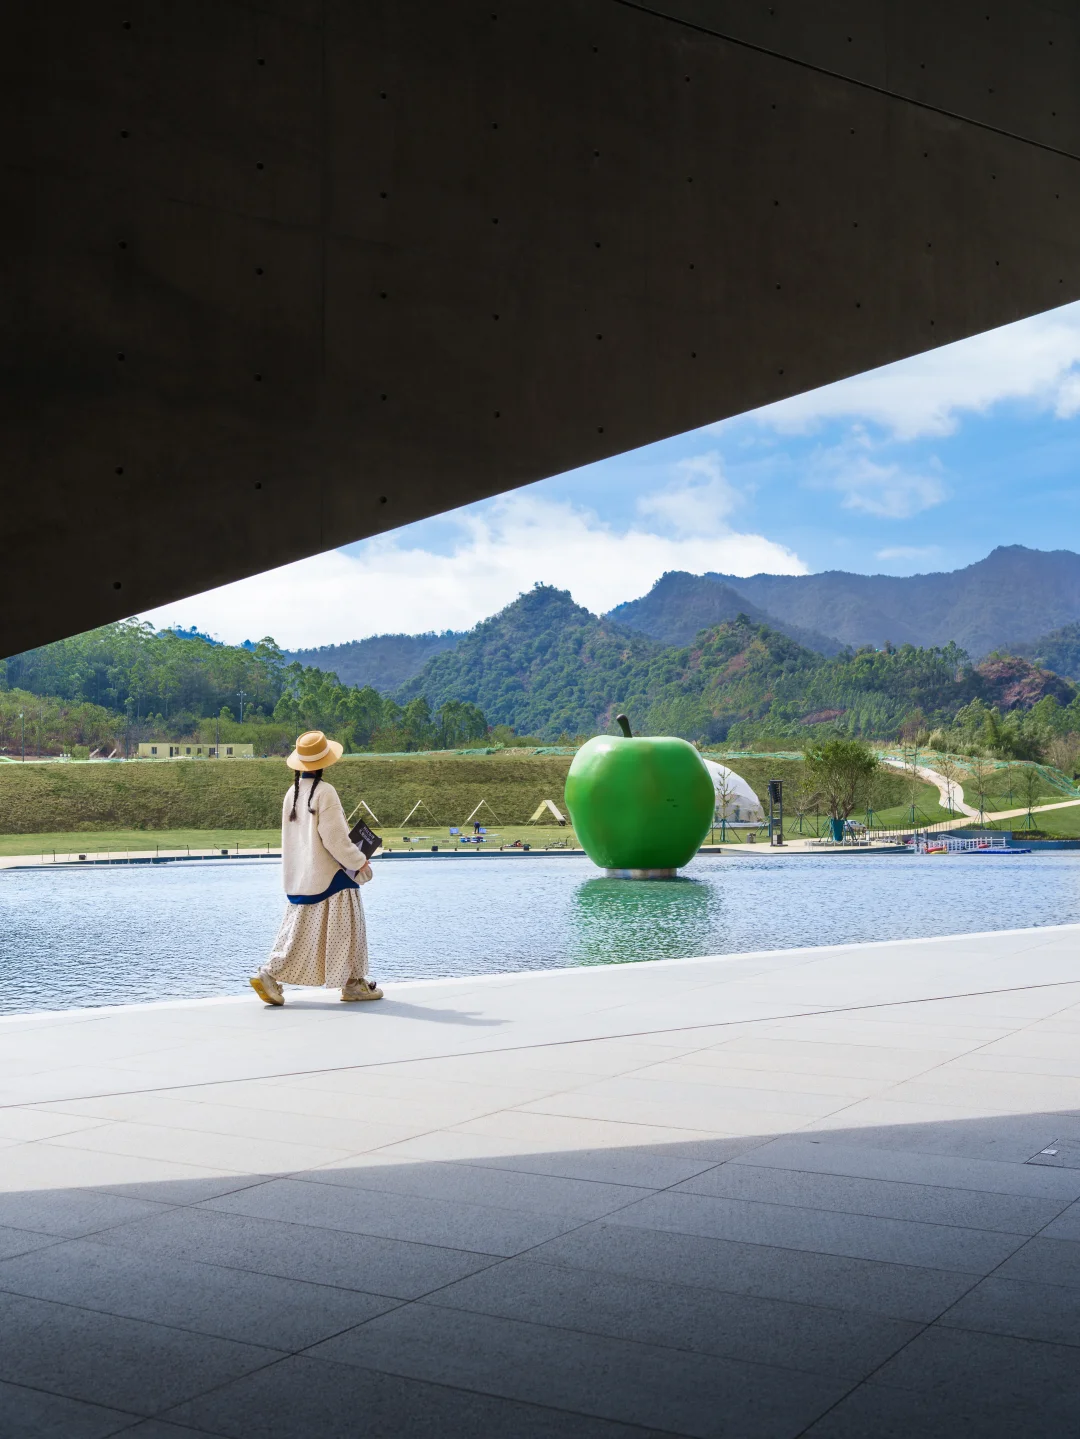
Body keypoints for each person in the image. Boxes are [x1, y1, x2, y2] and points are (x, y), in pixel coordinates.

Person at [249, 730, 383, 1006]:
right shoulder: (325, 792)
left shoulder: (292, 793)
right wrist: (360, 863)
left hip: (301, 877)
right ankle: (353, 983)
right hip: (331, 878)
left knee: (296, 934)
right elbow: (335, 839)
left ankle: (272, 972)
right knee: (346, 933)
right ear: (325, 761)